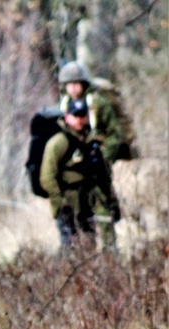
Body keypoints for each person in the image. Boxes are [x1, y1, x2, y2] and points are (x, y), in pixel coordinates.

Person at [39, 99, 116, 250]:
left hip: (88, 203)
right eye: (76, 116)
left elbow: (103, 175)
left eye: (82, 115)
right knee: (70, 247)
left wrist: (111, 202)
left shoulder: (93, 142)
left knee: (89, 245)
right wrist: (61, 203)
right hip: (67, 204)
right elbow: (47, 177)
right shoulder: (58, 143)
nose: (79, 120)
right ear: (67, 117)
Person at [58, 61, 125, 168]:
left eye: (76, 83)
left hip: (97, 152)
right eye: (69, 84)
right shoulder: (63, 106)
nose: (72, 88)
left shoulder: (98, 103)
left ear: (83, 84)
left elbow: (114, 134)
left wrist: (104, 158)